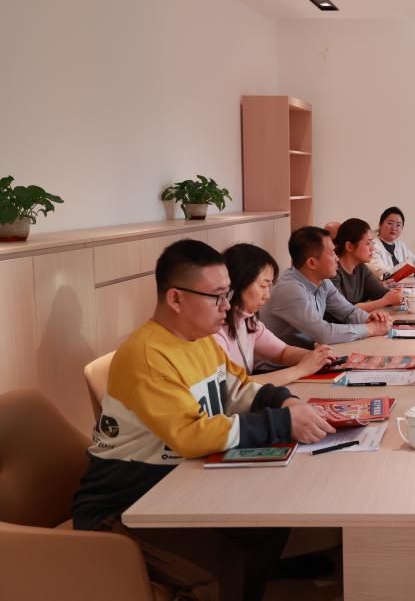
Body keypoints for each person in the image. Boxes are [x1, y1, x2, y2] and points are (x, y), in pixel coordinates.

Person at [72, 239, 336, 601]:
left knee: (266, 525)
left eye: (228, 295)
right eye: (217, 297)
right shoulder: (147, 355)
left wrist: (285, 401)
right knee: (215, 571)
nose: (227, 306)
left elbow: (238, 388)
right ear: (175, 299)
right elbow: (191, 436)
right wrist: (282, 423)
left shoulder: (201, 339)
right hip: (126, 506)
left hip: (178, 482)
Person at [215, 242, 336, 386]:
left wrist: (315, 357)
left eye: (269, 286)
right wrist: (300, 369)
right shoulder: (215, 332)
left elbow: (282, 352)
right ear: (238, 283)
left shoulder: (248, 321)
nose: (267, 295)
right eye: (263, 286)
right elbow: (235, 387)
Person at [261, 226, 392, 347]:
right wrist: (371, 329)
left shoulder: (323, 282)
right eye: (332, 253)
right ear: (312, 263)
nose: (337, 258)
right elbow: (324, 334)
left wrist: (369, 319)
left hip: (306, 354)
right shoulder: (290, 289)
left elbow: (348, 312)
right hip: (280, 363)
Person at [332, 218, 403, 311]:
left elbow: (380, 292)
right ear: (349, 246)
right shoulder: (332, 271)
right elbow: (344, 310)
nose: (372, 248)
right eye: (368, 243)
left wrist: (396, 294)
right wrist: (386, 301)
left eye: (372, 243)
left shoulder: (360, 267)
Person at [367, 206, 415, 279]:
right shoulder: (372, 245)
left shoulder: (400, 245)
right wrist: (414, 272)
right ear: (380, 224)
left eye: (398, 225)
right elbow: (382, 273)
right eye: (390, 223)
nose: (394, 228)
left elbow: (414, 259)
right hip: (382, 285)